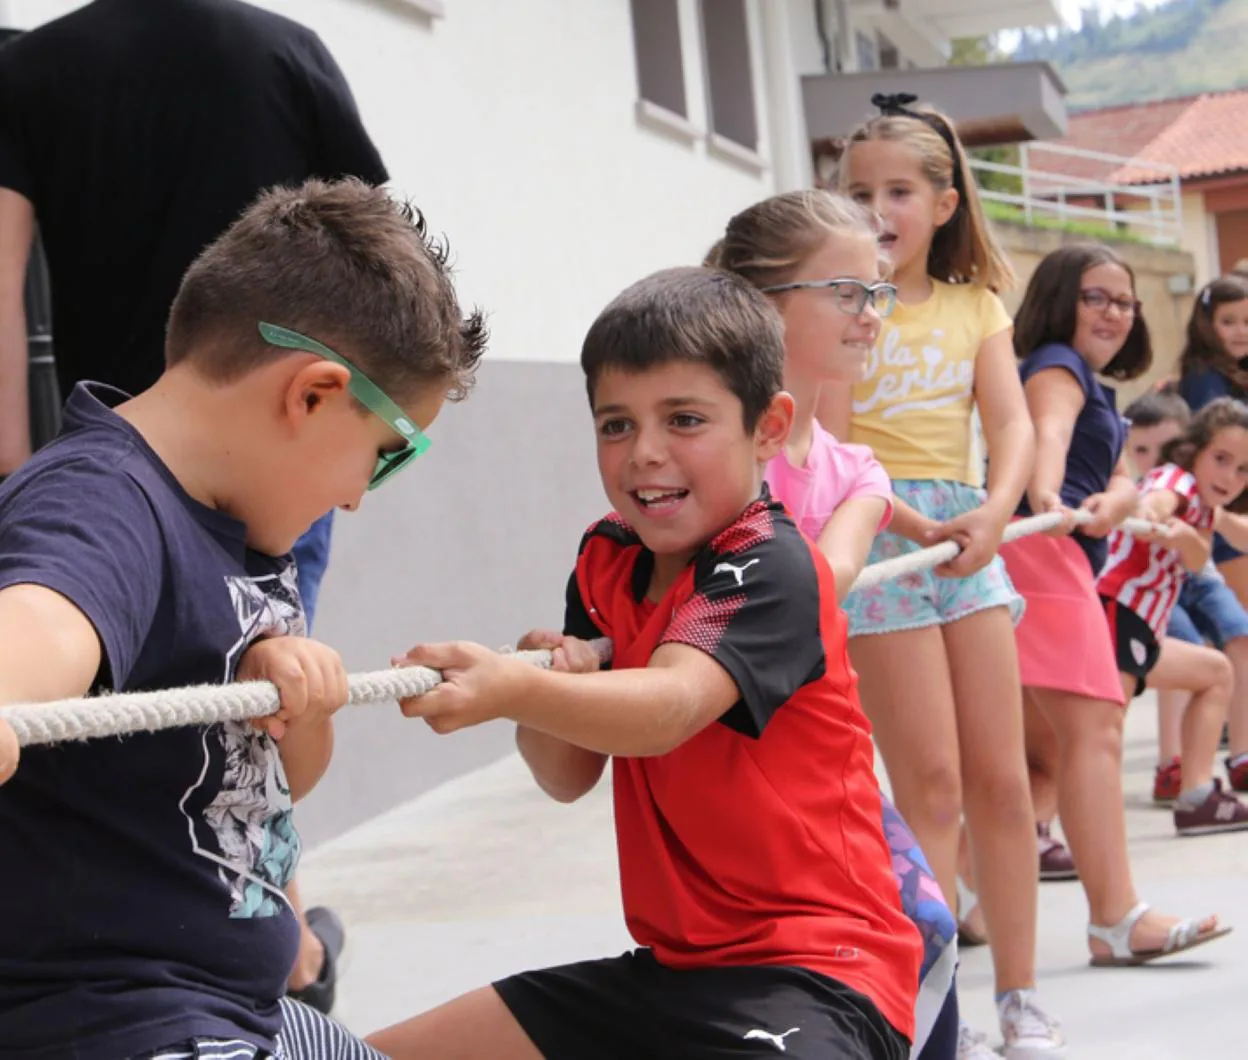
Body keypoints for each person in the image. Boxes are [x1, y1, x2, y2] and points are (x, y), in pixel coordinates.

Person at [370, 266, 922, 1060]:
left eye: (686, 419)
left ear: (768, 427)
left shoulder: (770, 564)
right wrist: (546, 687)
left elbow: (667, 708)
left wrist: (513, 688)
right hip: (672, 975)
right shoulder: (605, 559)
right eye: (616, 425)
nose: (645, 454)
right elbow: (566, 774)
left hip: (821, 974)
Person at [0, 177, 486, 1059]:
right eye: (382, 459)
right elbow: (43, 621)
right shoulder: (110, 501)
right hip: (114, 1021)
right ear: (312, 394)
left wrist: (305, 706)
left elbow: (273, 789)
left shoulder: (245, 531)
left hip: (237, 1002)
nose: (356, 498)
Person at [0, 0, 392, 1010]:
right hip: (229, 461)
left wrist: (10, 470)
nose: (364, 494)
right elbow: (375, 273)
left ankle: (271, 947)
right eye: (386, 456)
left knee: (233, 727)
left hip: (154, 432)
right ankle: (279, 953)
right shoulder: (284, 50)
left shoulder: (41, 65)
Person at [817, 95, 1060, 1058]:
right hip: (879, 537)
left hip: (970, 537)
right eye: (858, 191)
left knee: (1002, 782)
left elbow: (1012, 424)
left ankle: (1023, 995)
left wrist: (997, 512)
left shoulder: (976, 306)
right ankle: (937, 1006)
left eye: (898, 191)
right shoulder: (843, 309)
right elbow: (829, 439)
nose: (877, 207)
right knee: (931, 783)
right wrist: (900, 517)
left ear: (946, 202)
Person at [706, 188, 958, 1060]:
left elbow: (830, 571)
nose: (872, 315)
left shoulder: (852, 468)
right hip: (731, 764)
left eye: (879, 293)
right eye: (848, 293)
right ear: (763, 303)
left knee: (922, 928)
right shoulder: (713, 450)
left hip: (819, 763)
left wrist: (927, 525)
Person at [998, 245, 1228, 975]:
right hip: (1043, 552)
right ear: (1061, 299)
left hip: (1056, 553)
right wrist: (1046, 491)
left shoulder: (1089, 381)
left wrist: (1121, 498)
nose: (1114, 313)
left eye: (1124, 302)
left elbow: (1122, 476)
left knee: (1048, 753)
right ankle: (1117, 918)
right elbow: (1049, 434)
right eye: (1097, 297)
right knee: (1094, 726)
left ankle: (970, 902)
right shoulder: (1058, 365)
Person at [1097, 397, 1248, 836]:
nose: (1230, 476)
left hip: (1139, 628)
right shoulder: (1175, 482)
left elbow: (1203, 550)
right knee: (1099, 732)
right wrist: (1151, 516)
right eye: (1221, 459)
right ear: (1195, 449)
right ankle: (1039, 828)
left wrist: (1186, 537)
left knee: (1215, 672)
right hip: (1113, 613)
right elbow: (1160, 500)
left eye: (1242, 469)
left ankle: (1197, 796)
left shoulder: (1204, 508)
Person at [1177, 276, 1248, 607]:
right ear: (1207, 325)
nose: (1241, 331)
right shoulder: (1206, 380)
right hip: (1223, 516)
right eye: (1228, 322)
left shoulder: (1232, 374)